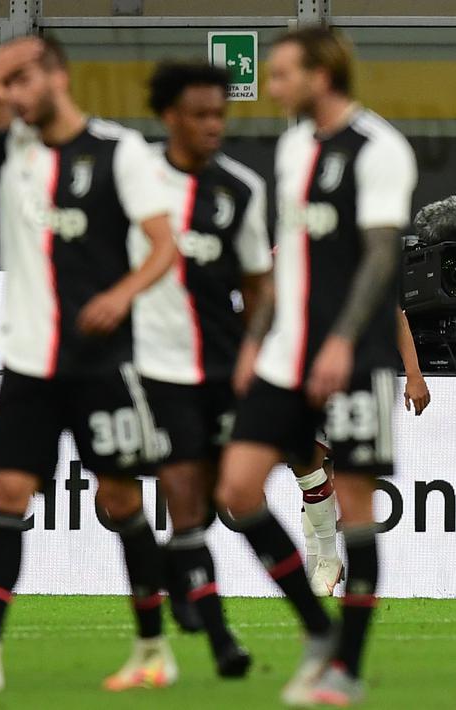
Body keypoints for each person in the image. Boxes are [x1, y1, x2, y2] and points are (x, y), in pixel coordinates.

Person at [0, 37, 180, 690]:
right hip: (27, 366)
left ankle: (153, 651)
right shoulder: (9, 151)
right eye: (2, 86)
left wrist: (121, 294)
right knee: (8, 496)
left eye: (19, 82)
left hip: (101, 366)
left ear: (58, 79)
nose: (9, 95)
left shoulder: (118, 152)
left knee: (121, 499)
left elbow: (164, 246)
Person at [221, 27, 416, 706]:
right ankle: (315, 629)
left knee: (356, 506)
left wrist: (341, 339)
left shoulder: (380, 147)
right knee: (238, 488)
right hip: (284, 351)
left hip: (355, 354)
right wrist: (256, 339)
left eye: (280, 75)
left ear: (320, 74)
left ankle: (346, 670)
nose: (271, 88)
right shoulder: (293, 145)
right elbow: (291, 259)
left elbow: (380, 255)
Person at [132, 60, 268, 673]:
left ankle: (172, 569)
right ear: (170, 117)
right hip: (155, 369)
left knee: (215, 502)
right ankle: (219, 640)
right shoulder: (131, 182)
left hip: (220, 368)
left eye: (221, 113)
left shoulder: (238, 189)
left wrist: (252, 352)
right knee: (184, 498)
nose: (215, 125)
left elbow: (256, 288)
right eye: (201, 114)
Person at [299, 307, 430, 598]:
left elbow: (394, 311)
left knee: (350, 484)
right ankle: (325, 559)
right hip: (309, 367)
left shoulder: (362, 263)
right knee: (304, 462)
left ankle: (336, 570)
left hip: (359, 371)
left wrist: (413, 373)